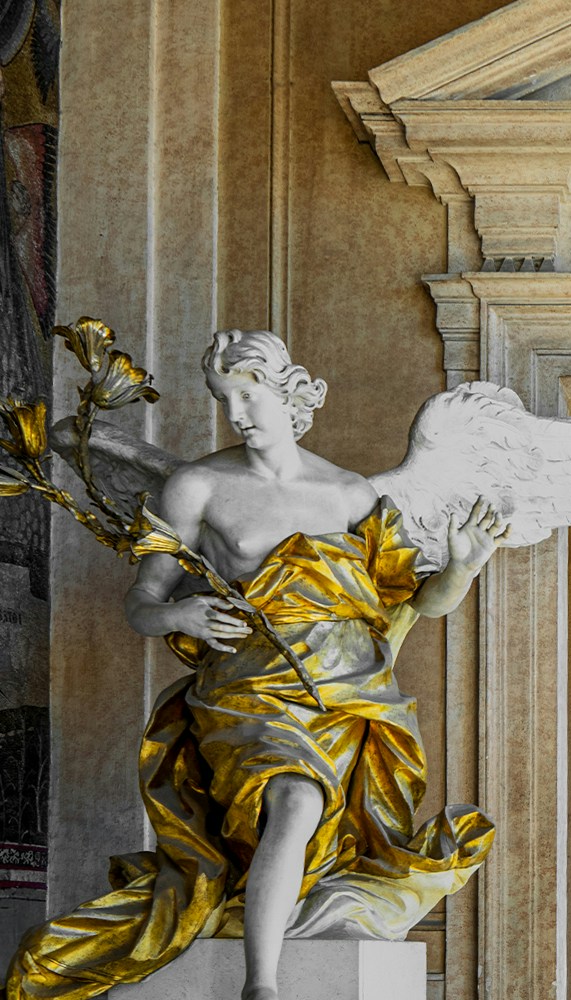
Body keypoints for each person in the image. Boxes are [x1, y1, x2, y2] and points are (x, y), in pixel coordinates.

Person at [6, 330, 500, 1000]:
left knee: (315, 828)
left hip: (347, 698)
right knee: (293, 800)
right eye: (223, 398)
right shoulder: (198, 487)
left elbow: (422, 604)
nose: (237, 412)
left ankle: (269, 949)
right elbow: (143, 601)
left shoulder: (351, 496)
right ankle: (261, 987)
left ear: (289, 393)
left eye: (248, 394)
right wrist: (180, 617)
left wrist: (467, 563)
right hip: (245, 692)